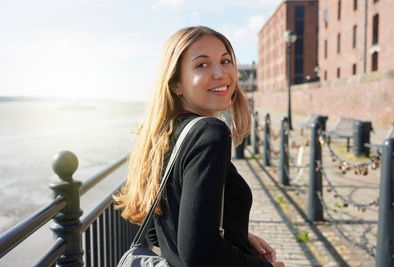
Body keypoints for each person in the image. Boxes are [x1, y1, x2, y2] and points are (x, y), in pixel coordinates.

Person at [114, 26, 285, 267]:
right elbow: (201, 254)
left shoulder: (165, 134)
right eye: (202, 65)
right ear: (176, 84)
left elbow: (159, 232)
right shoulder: (210, 133)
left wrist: (236, 236)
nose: (220, 73)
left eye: (225, 61)